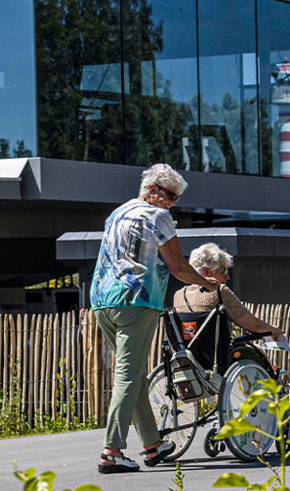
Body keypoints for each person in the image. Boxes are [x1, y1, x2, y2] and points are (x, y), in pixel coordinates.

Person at [89, 164, 222, 474]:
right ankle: (112, 451)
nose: (173, 203)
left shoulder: (117, 214)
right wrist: (206, 283)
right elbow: (177, 267)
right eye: (171, 196)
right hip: (137, 301)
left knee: (133, 373)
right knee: (127, 375)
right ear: (152, 190)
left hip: (101, 302)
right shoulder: (157, 216)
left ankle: (152, 445)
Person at [170, 243, 286, 363]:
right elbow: (253, 325)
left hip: (188, 361)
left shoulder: (178, 295)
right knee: (258, 353)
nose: (227, 277)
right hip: (217, 360)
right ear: (206, 272)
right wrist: (272, 329)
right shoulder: (219, 291)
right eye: (223, 271)